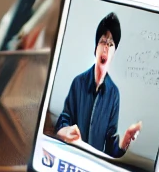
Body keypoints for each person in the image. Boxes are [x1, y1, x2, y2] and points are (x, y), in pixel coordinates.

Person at [54, 11, 142, 158]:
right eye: (102, 41)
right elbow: (63, 120)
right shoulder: (78, 83)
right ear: (96, 48)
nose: (106, 47)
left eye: (111, 44)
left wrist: (125, 140)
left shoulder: (114, 94)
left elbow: (110, 146)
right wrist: (64, 131)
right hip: (71, 157)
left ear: (114, 53)